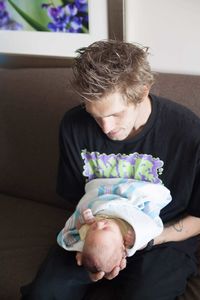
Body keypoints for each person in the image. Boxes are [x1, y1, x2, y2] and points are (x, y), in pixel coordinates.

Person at [20, 40, 200, 300]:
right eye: (95, 115)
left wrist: (147, 239)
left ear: (142, 92)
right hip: (95, 232)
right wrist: (93, 245)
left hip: (161, 239)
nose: (105, 128)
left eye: (116, 114)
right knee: (44, 294)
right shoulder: (73, 125)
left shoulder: (187, 133)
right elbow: (76, 198)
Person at [57, 178, 172, 275]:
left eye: (93, 229)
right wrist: (135, 238)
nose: (98, 224)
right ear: (122, 246)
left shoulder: (88, 230)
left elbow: (78, 226)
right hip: (126, 208)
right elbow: (147, 227)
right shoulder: (127, 237)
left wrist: (84, 219)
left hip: (106, 200)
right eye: (105, 229)